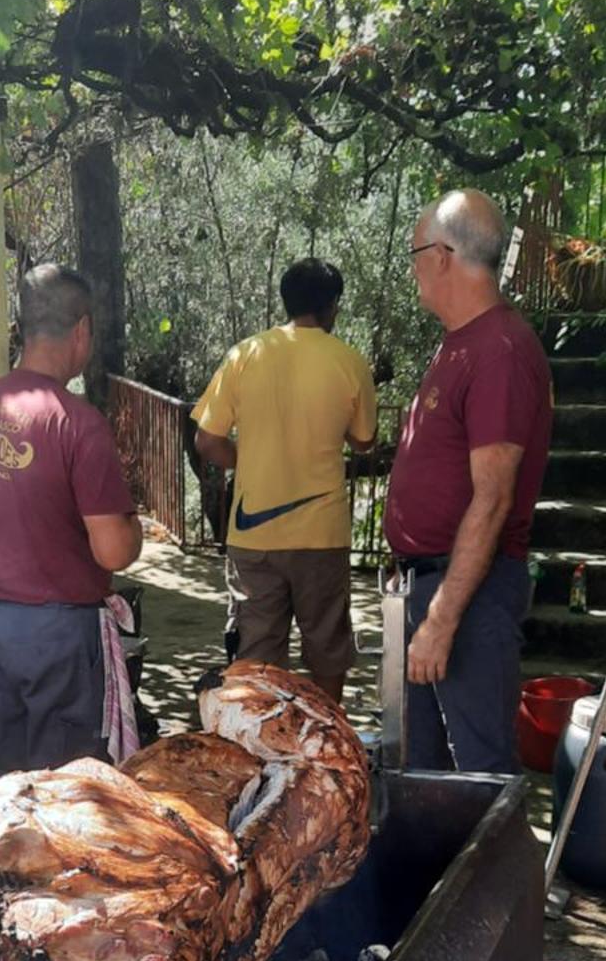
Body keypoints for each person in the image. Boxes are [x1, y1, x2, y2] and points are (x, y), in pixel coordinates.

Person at [384, 189, 554, 773]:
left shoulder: (499, 350)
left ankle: (501, 869)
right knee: (425, 769)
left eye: (414, 254)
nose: (413, 268)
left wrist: (441, 619)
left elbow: (494, 497)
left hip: (468, 595)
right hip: (432, 584)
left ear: (442, 255)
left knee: (481, 773)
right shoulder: (462, 344)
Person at [0, 264, 141, 774]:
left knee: (8, 782)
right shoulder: (77, 423)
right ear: (81, 331)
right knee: (63, 791)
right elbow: (114, 550)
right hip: (55, 638)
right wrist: (133, 524)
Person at [191, 258, 379, 704]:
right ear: (333, 306)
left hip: (254, 538)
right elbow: (365, 442)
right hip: (321, 535)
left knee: (256, 657)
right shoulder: (350, 362)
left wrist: (248, 458)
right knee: (327, 653)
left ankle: (260, 753)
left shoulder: (245, 355)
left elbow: (207, 441)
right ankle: (326, 752)